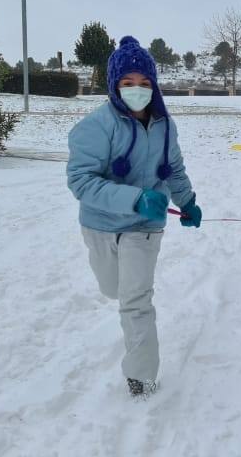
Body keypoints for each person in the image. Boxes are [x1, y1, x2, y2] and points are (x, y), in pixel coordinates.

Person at [66, 36, 203, 397]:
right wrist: (135, 198)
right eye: (128, 83)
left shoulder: (165, 125)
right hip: (101, 225)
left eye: (144, 82)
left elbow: (174, 169)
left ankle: (141, 376)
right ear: (115, 85)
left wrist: (187, 201)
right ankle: (121, 294)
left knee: (136, 300)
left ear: (153, 85)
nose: (137, 89)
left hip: (145, 227)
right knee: (113, 288)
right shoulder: (96, 126)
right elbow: (81, 181)